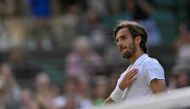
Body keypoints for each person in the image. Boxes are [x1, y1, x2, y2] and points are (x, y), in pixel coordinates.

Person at [104, 21, 167, 104]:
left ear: (137, 39)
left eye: (123, 38)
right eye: (117, 40)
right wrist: (120, 88)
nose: (119, 43)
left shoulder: (149, 64)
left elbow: (164, 101)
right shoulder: (123, 76)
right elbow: (107, 105)